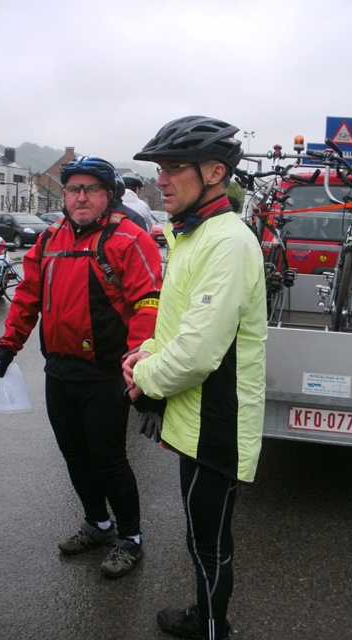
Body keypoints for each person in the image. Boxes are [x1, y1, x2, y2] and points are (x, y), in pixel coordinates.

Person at [123, 116, 267, 639]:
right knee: (198, 537)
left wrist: (143, 378)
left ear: (214, 173)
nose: (160, 179)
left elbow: (197, 353)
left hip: (218, 423)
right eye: (160, 168)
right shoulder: (192, 236)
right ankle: (208, 619)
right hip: (196, 420)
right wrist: (143, 354)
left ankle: (212, 629)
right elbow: (177, 324)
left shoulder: (226, 241)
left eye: (173, 167)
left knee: (208, 544)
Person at [0, 156, 163, 579]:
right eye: (73, 189)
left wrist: (138, 360)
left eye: (91, 189)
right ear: (65, 196)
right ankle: (98, 523)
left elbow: (148, 303)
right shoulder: (51, 238)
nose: (80, 196)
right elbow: (28, 295)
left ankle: (131, 537)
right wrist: (7, 347)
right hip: (60, 370)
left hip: (105, 373)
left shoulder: (128, 239)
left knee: (108, 458)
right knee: (74, 454)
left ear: (108, 196)